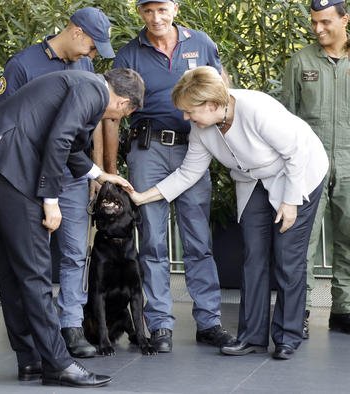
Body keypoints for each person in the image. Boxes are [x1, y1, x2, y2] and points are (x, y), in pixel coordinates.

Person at [130, 66, 328, 360]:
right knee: (253, 256)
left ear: (211, 105)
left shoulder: (256, 109)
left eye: (189, 111)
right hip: (252, 181)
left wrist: (290, 203)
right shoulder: (202, 129)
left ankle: (289, 335)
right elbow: (189, 173)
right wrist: (143, 196)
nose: (186, 118)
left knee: (288, 257)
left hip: (298, 174)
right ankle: (251, 336)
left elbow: (296, 153)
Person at [0, 68, 144, 387]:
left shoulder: (81, 84)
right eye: (126, 112)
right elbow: (60, 138)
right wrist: (50, 199)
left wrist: (100, 175)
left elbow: (69, 147)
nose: (118, 117)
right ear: (125, 103)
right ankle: (58, 363)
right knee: (35, 270)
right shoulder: (93, 90)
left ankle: (32, 358)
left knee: (13, 267)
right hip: (10, 167)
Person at [102, 0, 235, 353]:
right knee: (152, 243)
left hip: (196, 147)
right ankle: (159, 324)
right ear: (140, 13)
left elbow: (222, 91)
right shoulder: (129, 53)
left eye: (162, 9)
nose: (155, 18)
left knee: (198, 240)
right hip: (148, 149)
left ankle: (209, 322)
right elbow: (113, 114)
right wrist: (111, 172)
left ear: (175, 8)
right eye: (148, 11)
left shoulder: (201, 43)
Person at [0, 7, 115, 358]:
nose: (93, 55)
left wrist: (94, 171)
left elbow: (87, 128)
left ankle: (71, 326)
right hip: (30, 177)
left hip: (73, 174)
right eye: (92, 46)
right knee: (37, 257)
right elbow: (4, 123)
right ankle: (38, 331)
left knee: (76, 252)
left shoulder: (85, 66)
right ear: (76, 32)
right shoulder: (22, 65)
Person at [282, 0, 350, 337]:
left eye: (325, 22)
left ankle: (345, 309)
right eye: (314, 23)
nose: (318, 29)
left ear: (344, 19)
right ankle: (300, 312)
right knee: (302, 242)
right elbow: (286, 118)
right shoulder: (301, 61)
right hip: (310, 165)